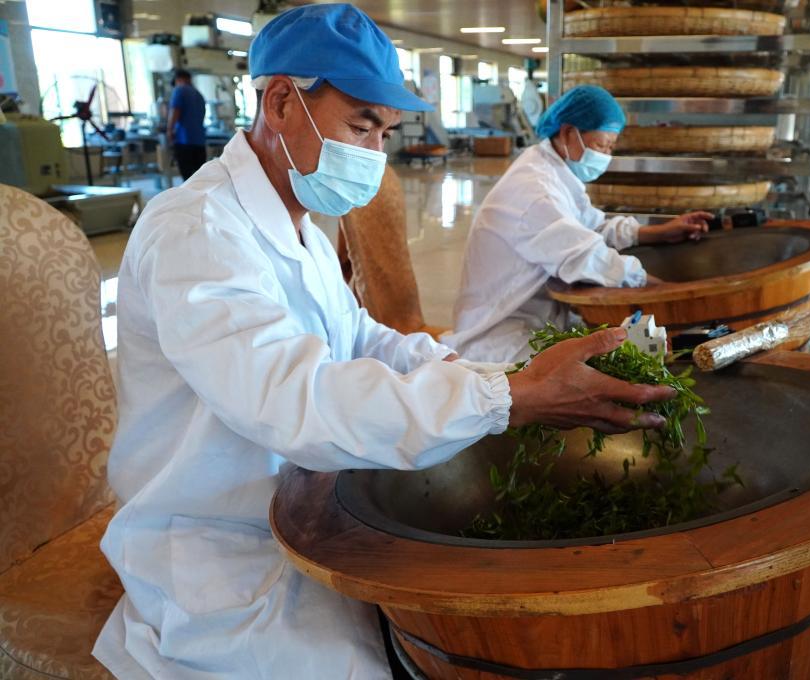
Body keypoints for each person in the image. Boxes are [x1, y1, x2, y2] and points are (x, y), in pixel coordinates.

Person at [92, 5, 676, 679]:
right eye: (360, 126)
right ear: (280, 102)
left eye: (385, 134)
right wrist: (505, 398)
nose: (374, 156)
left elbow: (360, 337)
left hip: (305, 506)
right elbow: (295, 398)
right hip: (217, 546)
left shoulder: (300, 225)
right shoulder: (196, 232)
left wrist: (476, 373)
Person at [443, 85, 713, 363]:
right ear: (569, 133)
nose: (606, 155)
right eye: (600, 145)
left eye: (611, 147)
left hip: (542, 321)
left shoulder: (555, 171)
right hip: (504, 340)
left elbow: (592, 227)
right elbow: (588, 258)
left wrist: (660, 233)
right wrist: (667, 291)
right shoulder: (536, 190)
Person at [166, 69, 207, 180]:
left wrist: (169, 130)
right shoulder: (199, 95)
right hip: (200, 141)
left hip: (184, 140)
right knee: (200, 177)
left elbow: (175, 111)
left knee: (188, 178)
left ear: (178, 79)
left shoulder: (179, 90)